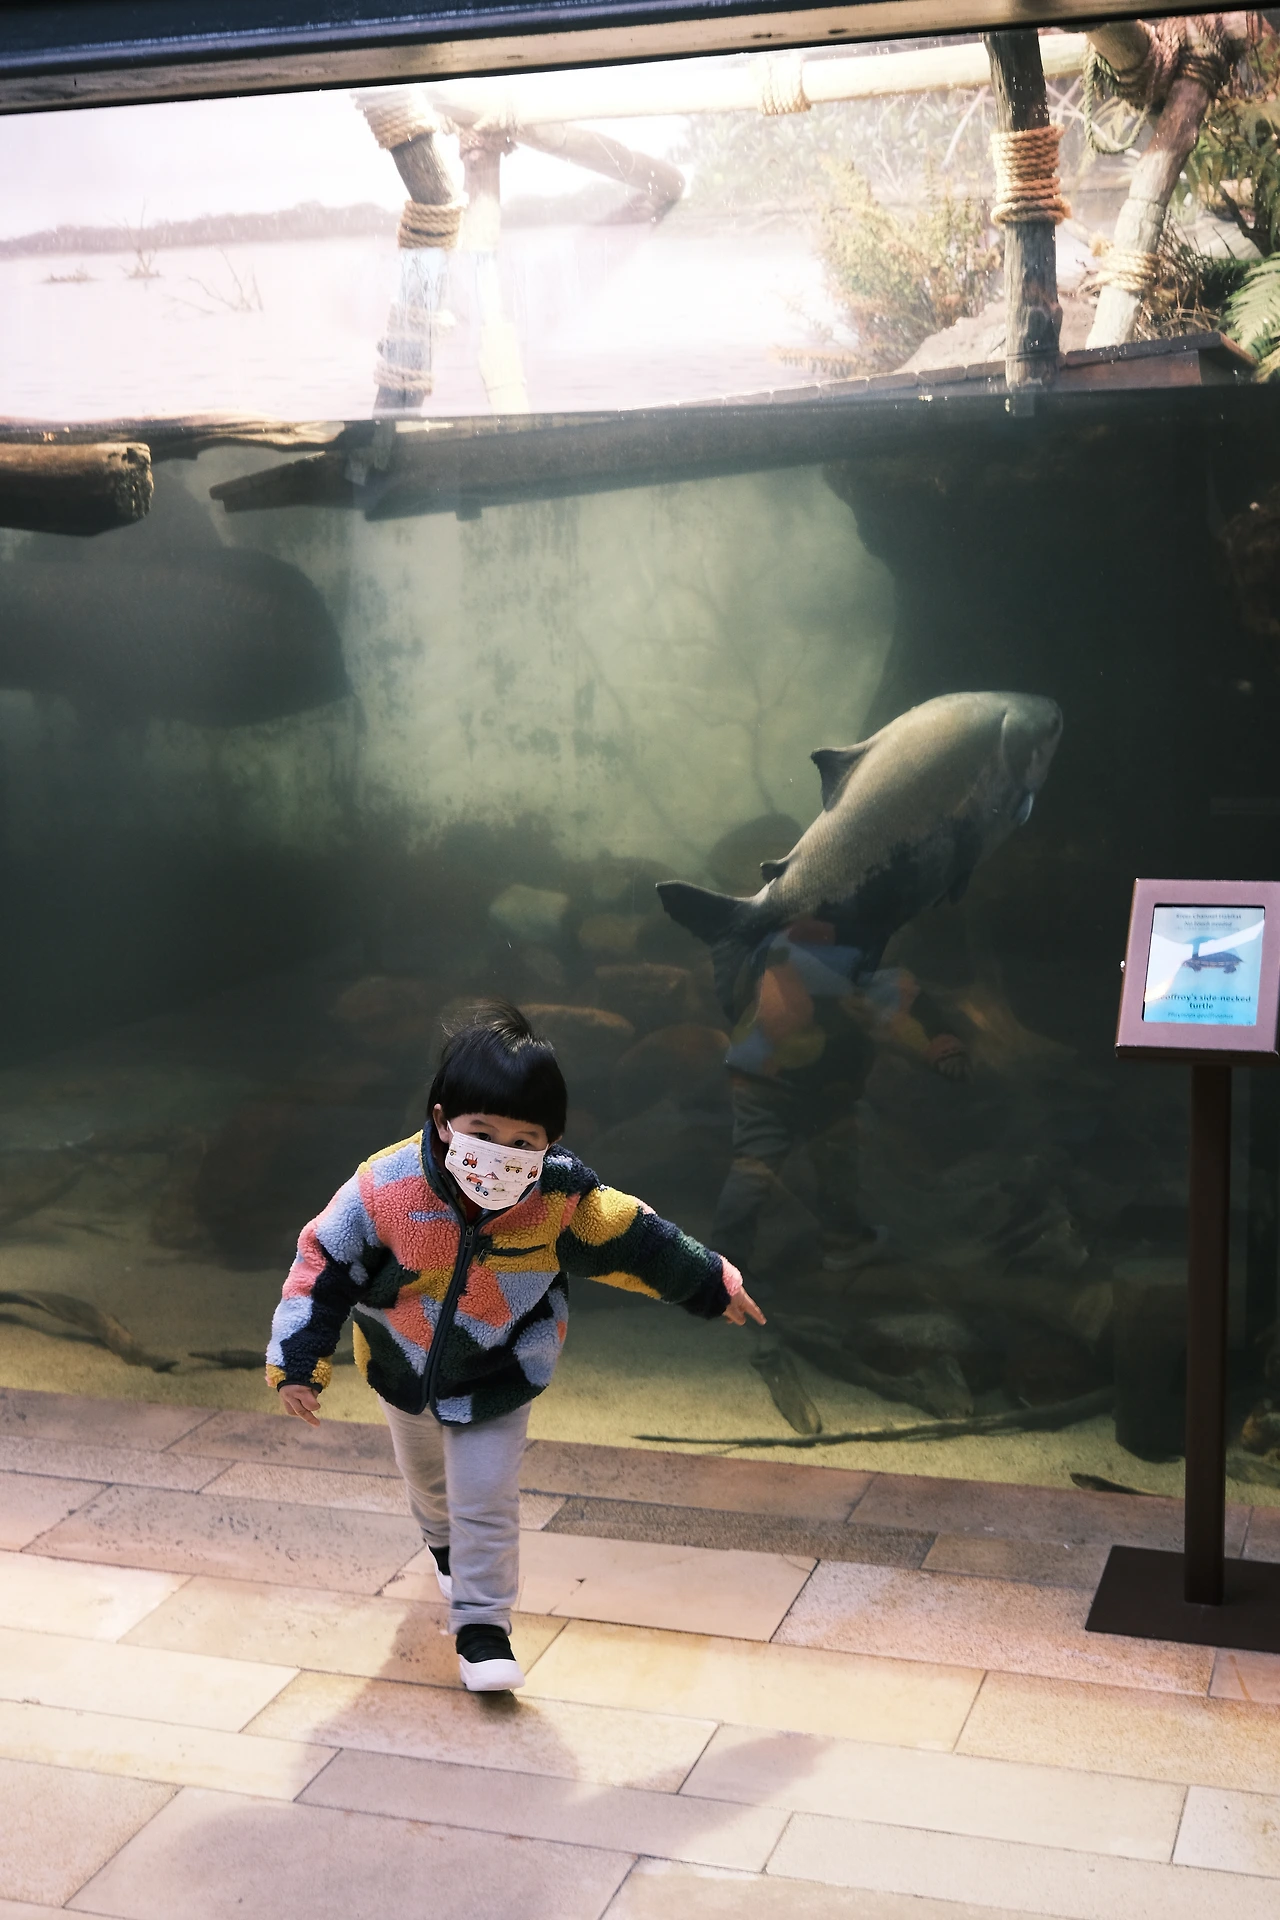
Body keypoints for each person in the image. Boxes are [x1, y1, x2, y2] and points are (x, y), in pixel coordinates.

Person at [265, 1000, 764, 1694]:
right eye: (483, 1132)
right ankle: (443, 1549)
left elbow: (638, 1241)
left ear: (551, 1142)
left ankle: (483, 1629)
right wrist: (297, 1363)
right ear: (444, 1120)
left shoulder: (560, 1199)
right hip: (400, 1368)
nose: (502, 1152)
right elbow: (322, 1263)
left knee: (485, 1500)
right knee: (429, 1487)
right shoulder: (385, 1186)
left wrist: (712, 1283)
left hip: (500, 1372)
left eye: (524, 1140)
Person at [711, 913, 969, 1294]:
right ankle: (839, 1242)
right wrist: (943, 1047)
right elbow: (909, 1011)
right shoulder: (867, 964)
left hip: (764, 1077)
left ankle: (730, 1264)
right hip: (806, 1084)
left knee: (762, 1167)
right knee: (825, 1162)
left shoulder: (787, 945)